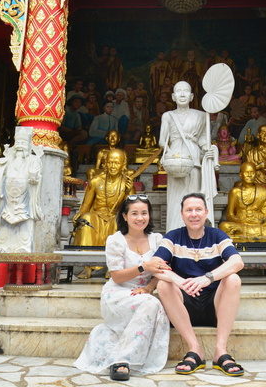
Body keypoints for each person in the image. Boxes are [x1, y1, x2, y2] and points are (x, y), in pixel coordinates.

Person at [74, 195, 171, 380]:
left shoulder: (158, 239)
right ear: (125, 216)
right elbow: (117, 276)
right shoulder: (115, 240)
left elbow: (162, 269)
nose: (140, 218)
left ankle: (120, 359)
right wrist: (144, 267)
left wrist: (150, 287)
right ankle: (121, 360)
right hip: (118, 293)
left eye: (144, 213)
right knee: (152, 305)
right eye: (134, 213)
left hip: (144, 293)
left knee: (151, 303)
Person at [151, 193, 245, 377]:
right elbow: (154, 265)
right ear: (182, 214)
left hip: (214, 306)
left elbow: (237, 262)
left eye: (198, 209)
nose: (194, 214)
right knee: (163, 284)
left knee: (233, 278)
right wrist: (178, 280)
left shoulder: (216, 235)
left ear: (206, 212)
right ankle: (195, 350)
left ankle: (220, 351)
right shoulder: (173, 237)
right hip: (184, 306)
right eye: (189, 210)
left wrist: (207, 278)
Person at [159, 81, 218, 232]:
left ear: (191, 96)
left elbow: (204, 140)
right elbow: (162, 141)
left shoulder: (201, 115)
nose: (182, 94)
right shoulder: (168, 116)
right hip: (175, 159)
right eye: (179, 91)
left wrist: (209, 149)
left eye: (186, 91)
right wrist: (168, 155)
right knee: (175, 200)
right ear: (173, 96)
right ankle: (174, 232)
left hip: (194, 159)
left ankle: (195, 233)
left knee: (194, 198)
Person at [73, 148, 134, 279]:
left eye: (116, 163)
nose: (113, 166)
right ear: (105, 164)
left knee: (120, 221)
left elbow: (132, 209)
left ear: (123, 165)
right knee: (86, 220)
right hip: (97, 215)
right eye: (110, 162)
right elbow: (86, 205)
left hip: (115, 216)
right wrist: (80, 214)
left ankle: (113, 267)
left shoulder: (126, 184)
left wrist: (129, 192)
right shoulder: (95, 182)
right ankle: (87, 266)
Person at [0, 127, 44, 254]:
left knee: (24, 228)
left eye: (23, 143)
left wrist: (33, 179)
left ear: (29, 145)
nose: (20, 146)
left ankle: (23, 247)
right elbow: (0, 177)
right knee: (5, 228)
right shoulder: (8, 160)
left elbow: (37, 178)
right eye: (18, 143)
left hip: (25, 201)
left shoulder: (34, 160)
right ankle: (2, 247)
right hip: (8, 201)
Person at [219, 162, 266, 243]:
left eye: (252, 172)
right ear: (241, 175)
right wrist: (242, 221)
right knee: (224, 226)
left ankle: (246, 236)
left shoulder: (263, 191)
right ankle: (254, 236)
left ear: (256, 174)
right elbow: (230, 215)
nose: (249, 175)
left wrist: (263, 220)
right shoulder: (235, 192)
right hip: (241, 225)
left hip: (258, 224)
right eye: (246, 172)